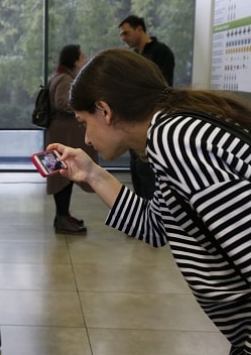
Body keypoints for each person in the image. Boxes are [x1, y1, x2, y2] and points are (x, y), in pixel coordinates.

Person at [47, 48, 251, 355]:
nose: (86, 139)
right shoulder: (171, 133)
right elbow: (156, 225)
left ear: (105, 111)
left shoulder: (177, 142)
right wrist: (93, 174)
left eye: (83, 122)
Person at [118, 15, 175, 200]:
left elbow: (163, 87)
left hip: (152, 120)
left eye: (126, 33)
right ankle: (143, 214)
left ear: (139, 29)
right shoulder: (134, 57)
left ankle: (154, 216)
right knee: (136, 169)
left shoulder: (161, 52)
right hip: (133, 119)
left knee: (147, 170)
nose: (123, 38)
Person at [46, 44, 97, 234]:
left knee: (63, 176)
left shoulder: (61, 76)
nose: (84, 60)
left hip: (61, 132)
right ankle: (61, 218)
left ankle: (63, 215)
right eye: (82, 57)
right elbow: (61, 102)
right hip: (64, 134)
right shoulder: (66, 79)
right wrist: (82, 105)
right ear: (74, 60)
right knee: (63, 176)